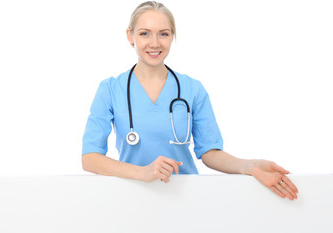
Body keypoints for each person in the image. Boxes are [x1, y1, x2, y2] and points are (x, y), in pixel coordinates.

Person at [82, 1, 299, 200]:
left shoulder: (192, 89)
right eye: (145, 33)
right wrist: (143, 172)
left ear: (172, 36)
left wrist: (250, 166)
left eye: (164, 34)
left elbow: (209, 152)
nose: (155, 43)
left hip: (186, 199)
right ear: (130, 36)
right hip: (132, 197)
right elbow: (90, 158)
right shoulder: (110, 89)